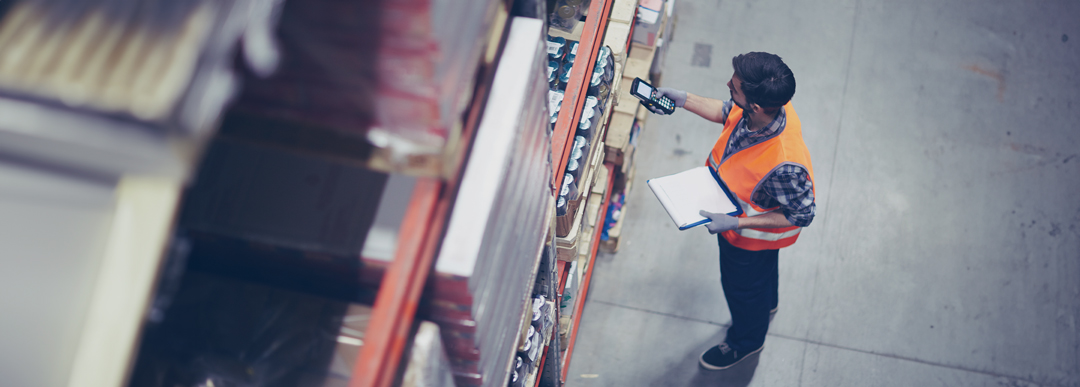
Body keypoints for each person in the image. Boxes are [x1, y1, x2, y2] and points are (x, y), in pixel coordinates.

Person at [647, 52, 815, 370]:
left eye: (734, 87)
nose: (728, 86)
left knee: (742, 289)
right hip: (752, 237)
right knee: (762, 279)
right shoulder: (767, 107)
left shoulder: (785, 164)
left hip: (748, 240)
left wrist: (736, 223)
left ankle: (747, 341)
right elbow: (728, 112)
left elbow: (802, 214)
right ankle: (767, 305)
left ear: (753, 104)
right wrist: (684, 100)